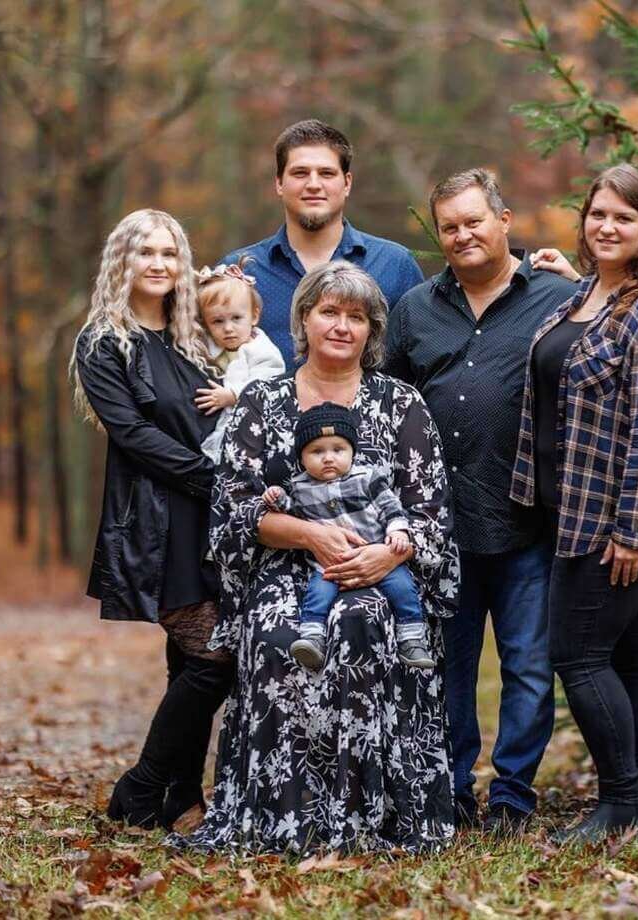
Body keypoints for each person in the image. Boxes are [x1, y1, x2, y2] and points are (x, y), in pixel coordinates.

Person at [385, 168, 638, 836]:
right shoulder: (569, 296)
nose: (464, 234)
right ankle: (616, 805)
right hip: (469, 519)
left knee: (560, 661)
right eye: (449, 226)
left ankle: (561, 799)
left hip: (568, 518)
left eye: (476, 220)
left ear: (504, 222)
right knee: (612, 658)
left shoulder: (600, 298)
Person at [170, 261, 459, 854]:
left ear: (372, 330)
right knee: (280, 635)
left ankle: (372, 815)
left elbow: (430, 509)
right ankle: (284, 811)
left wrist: (384, 557)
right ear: (303, 318)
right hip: (285, 568)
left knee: (367, 622)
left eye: (357, 316)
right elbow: (236, 512)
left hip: (386, 566)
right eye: (329, 311)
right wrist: (310, 535)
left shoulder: (400, 404)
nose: (342, 326)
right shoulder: (261, 401)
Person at [511, 164, 638, 843]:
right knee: (631, 658)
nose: (608, 226)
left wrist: (632, 531)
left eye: (625, 218)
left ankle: (620, 803)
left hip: (624, 518)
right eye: (598, 214)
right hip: (576, 510)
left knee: (579, 655)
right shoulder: (583, 296)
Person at [71, 209, 233, 830]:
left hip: (216, 519)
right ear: (124, 262)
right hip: (159, 521)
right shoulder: (105, 342)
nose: (160, 264)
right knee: (217, 656)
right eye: (146, 252)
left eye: (171, 252)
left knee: (185, 660)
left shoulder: (194, 334)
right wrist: (210, 477)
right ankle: (139, 788)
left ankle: (181, 798)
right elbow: (133, 433)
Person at [219, 119, 425, 366]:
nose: (313, 184)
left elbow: (420, 363)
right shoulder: (239, 270)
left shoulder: (395, 265)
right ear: (279, 183)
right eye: (300, 173)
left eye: (326, 173)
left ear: (347, 183)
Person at [262, 401, 436, 671]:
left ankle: (412, 639)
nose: (328, 458)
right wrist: (276, 499)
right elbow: (291, 513)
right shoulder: (300, 487)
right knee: (318, 594)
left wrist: (397, 531)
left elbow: (391, 508)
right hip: (329, 565)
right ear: (302, 458)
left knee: (403, 587)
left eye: (338, 449)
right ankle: (312, 639)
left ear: (352, 452)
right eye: (316, 451)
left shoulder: (367, 478)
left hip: (376, 554)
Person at [194, 262, 285, 464]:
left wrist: (233, 394)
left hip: (253, 426)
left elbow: (266, 384)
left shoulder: (263, 351)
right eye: (217, 321)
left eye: (236, 318)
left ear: (254, 316)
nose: (228, 328)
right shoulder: (209, 348)